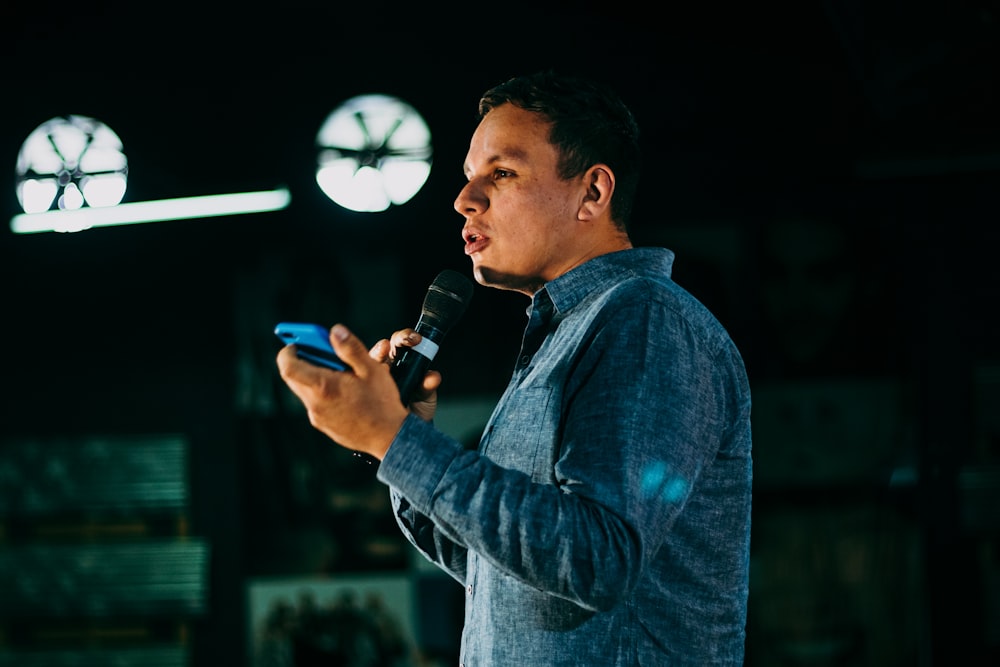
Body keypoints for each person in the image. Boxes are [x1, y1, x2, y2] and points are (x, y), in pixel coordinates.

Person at [277, 69, 753, 666]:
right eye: (469, 177)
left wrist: (391, 437)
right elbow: (497, 567)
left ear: (593, 192)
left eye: (501, 173)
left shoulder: (643, 318)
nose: (464, 200)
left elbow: (596, 560)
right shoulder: (566, 335)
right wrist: (405, 443)